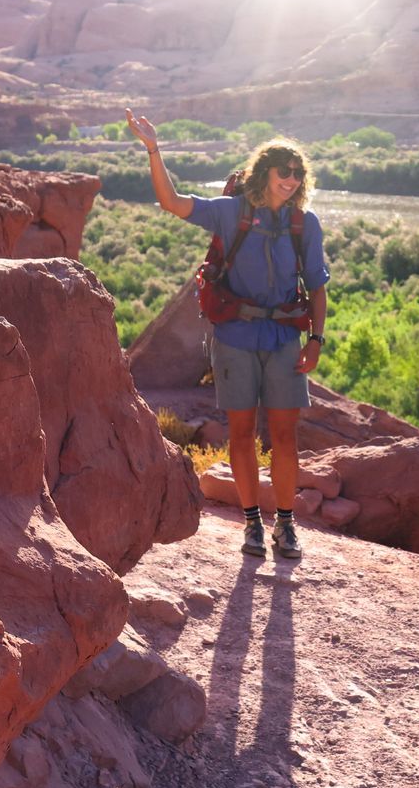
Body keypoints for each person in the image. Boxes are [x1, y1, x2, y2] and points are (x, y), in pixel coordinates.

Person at [125, 109, 329, 560]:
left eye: (299, 173)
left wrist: (316, 340)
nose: (292, 179)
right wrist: (155, 151)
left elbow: (317, 286)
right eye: (284, 171)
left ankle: (287, 526)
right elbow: (172, 203)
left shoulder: (303, 224)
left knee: (285, 435)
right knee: (240, 433)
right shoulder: (232, 212)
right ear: (264, 172)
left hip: (283, 339)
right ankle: (253, 524)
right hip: (235, 335)